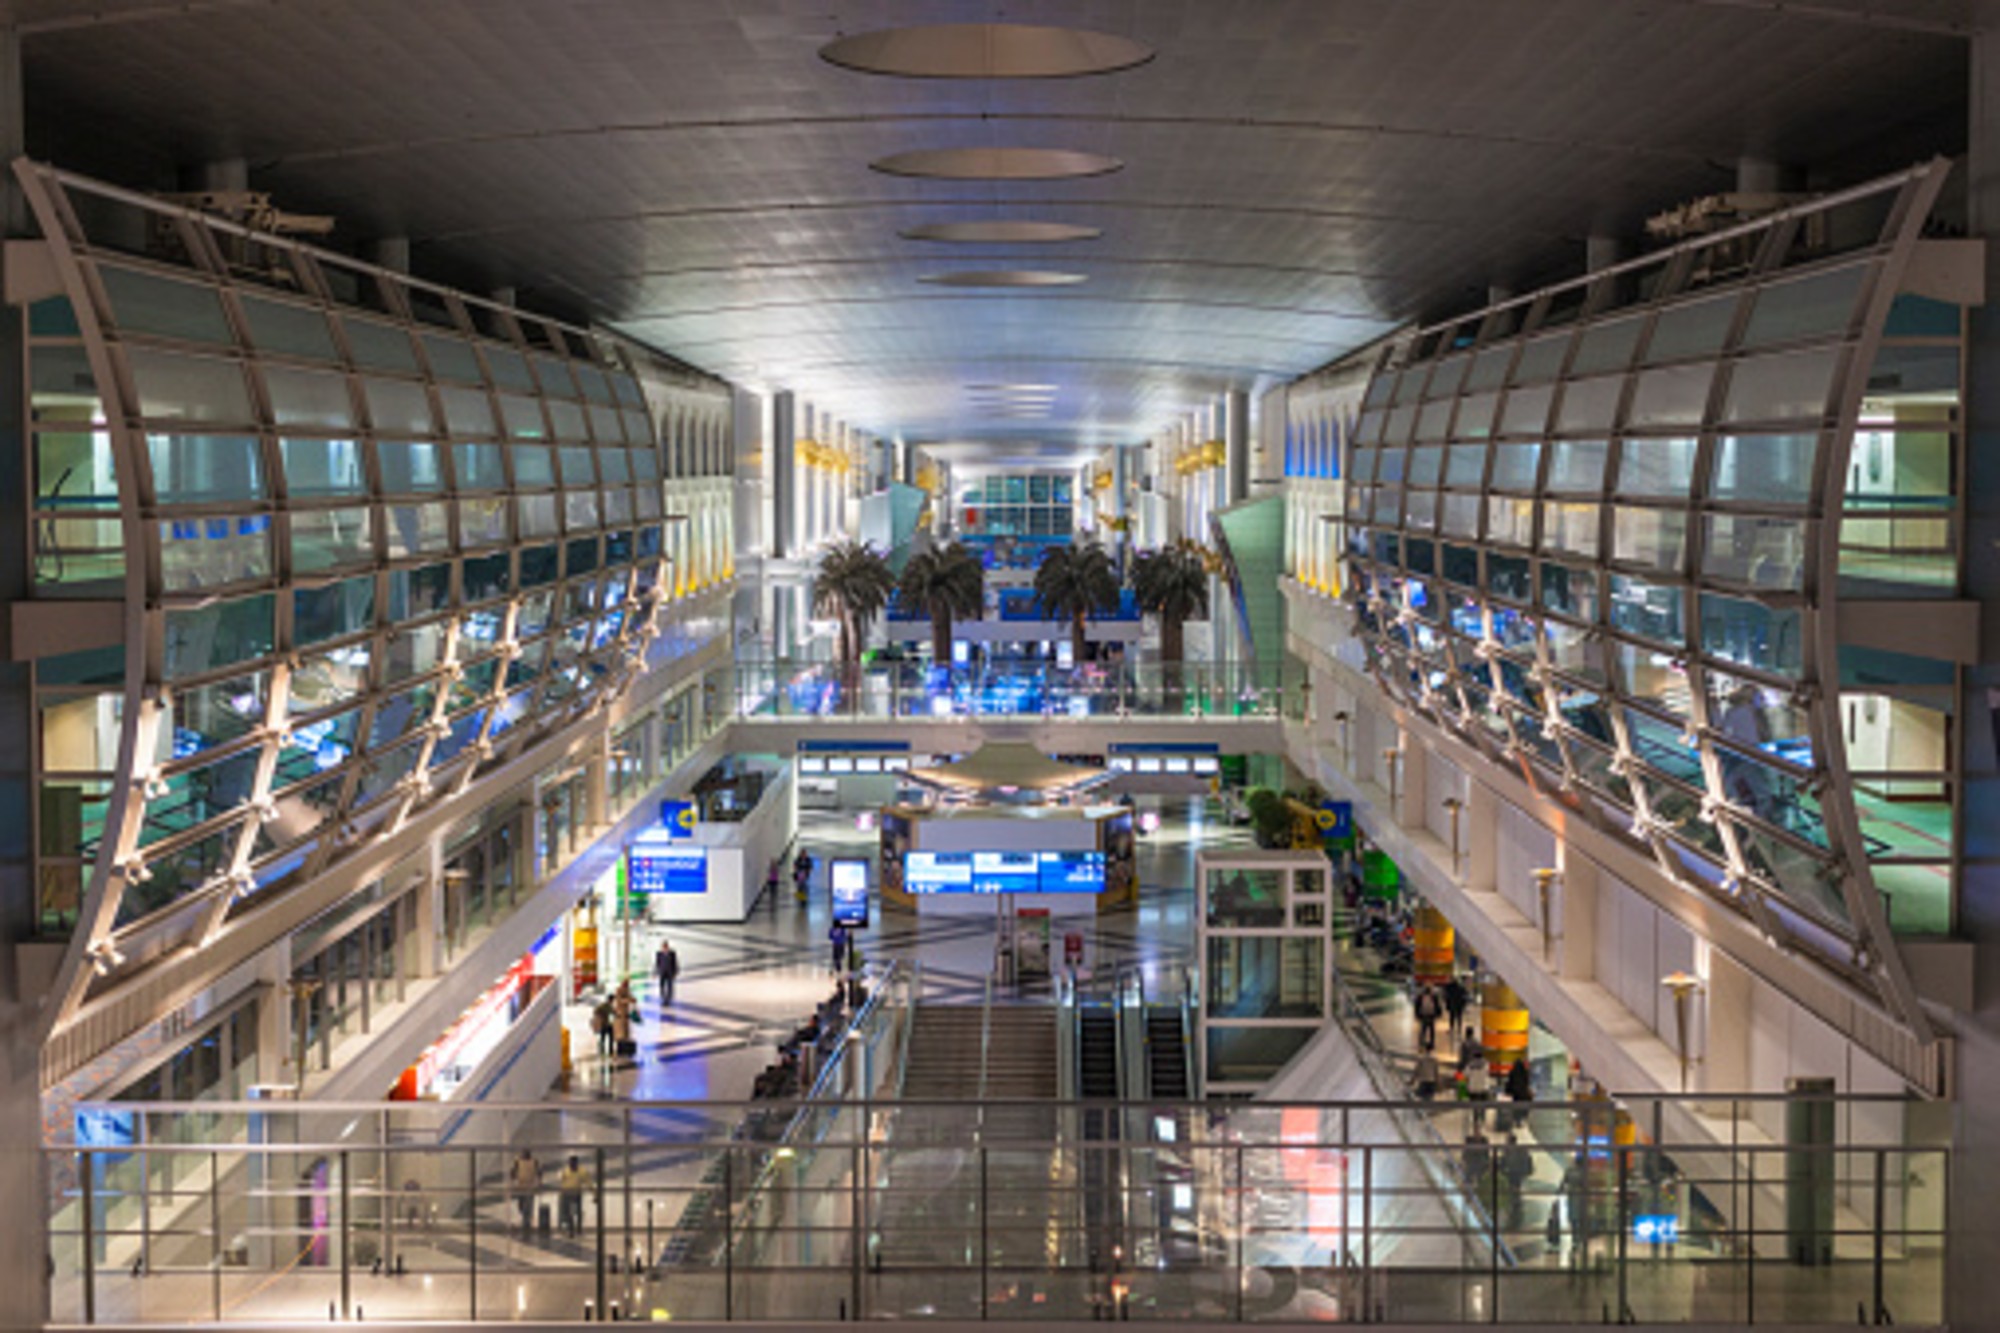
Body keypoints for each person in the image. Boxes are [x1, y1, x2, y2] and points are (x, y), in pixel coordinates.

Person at [509, 1149, 540, 1238]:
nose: (524, 1155)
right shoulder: (518, 1161)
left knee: (529, 1204)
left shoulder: (534, 1161)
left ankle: (527, 1222)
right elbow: (513, 1171)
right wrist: (513, 1179)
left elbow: (539, 1171)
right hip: (520, 1186)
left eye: (526, 1154)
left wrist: (538, 1182)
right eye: (523, 1154)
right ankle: (525, 1217)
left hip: (530, 1187)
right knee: (521, 1204)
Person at [557, 1154, 589, 1239]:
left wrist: (594, 1194)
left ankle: (578, 1228)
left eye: (573, 1163)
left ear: (576, 1163)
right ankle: (572, 1230)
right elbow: (561, 1180)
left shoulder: (582, 1171)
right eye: (570, 1163)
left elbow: (588, 1182)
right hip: (567, 1195)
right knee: (570, 1213)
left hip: (576, 1195)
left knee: (576, 1212)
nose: (571, 1165)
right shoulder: (565, 1171)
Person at [1413, 984, 1442, 1052]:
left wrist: (1438, 1013)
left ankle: (1430, 1043)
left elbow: (1437, 1005)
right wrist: (1417, 1014)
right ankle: (1422, 1043)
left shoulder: (1433, 997)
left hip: (1430, 1015)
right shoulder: (1421, 997)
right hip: (1424, 1015)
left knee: (1429, 1030)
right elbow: (1417, 1006)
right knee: (1424, 1030)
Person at [612, 981, 636, 1061]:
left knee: (625, 1033)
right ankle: (620, 1049)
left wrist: (631, 999)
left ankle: (624, 1049)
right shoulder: (619, 991)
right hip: (620, 1015)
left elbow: (629, 998)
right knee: (620, 1033)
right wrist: (629, 1000)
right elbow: (620, 1001)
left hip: (625, 1015)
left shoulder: (627, 991)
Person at [654, 939, 679, 1005]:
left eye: (666, 946)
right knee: (661, 986)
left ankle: (668, 999)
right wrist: (655, 972)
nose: (664, 948)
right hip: (662, 972)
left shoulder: (672, 954)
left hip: (670, 972)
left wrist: (675, 972)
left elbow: (675, 963)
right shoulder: (659, 954)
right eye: (663, 947)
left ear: (668, 947)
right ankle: (663, 998)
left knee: (669, 986)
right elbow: (657, 963)